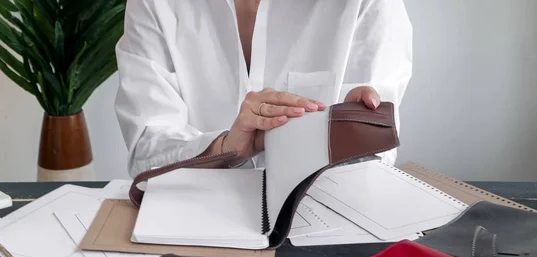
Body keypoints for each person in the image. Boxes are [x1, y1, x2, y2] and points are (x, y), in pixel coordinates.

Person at [115, 0, 413, 178]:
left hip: (323, 229)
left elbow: (377, 158)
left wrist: (357, 136)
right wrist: (224, 148)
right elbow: (145, 151)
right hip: (192, 231)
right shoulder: (154, 3)